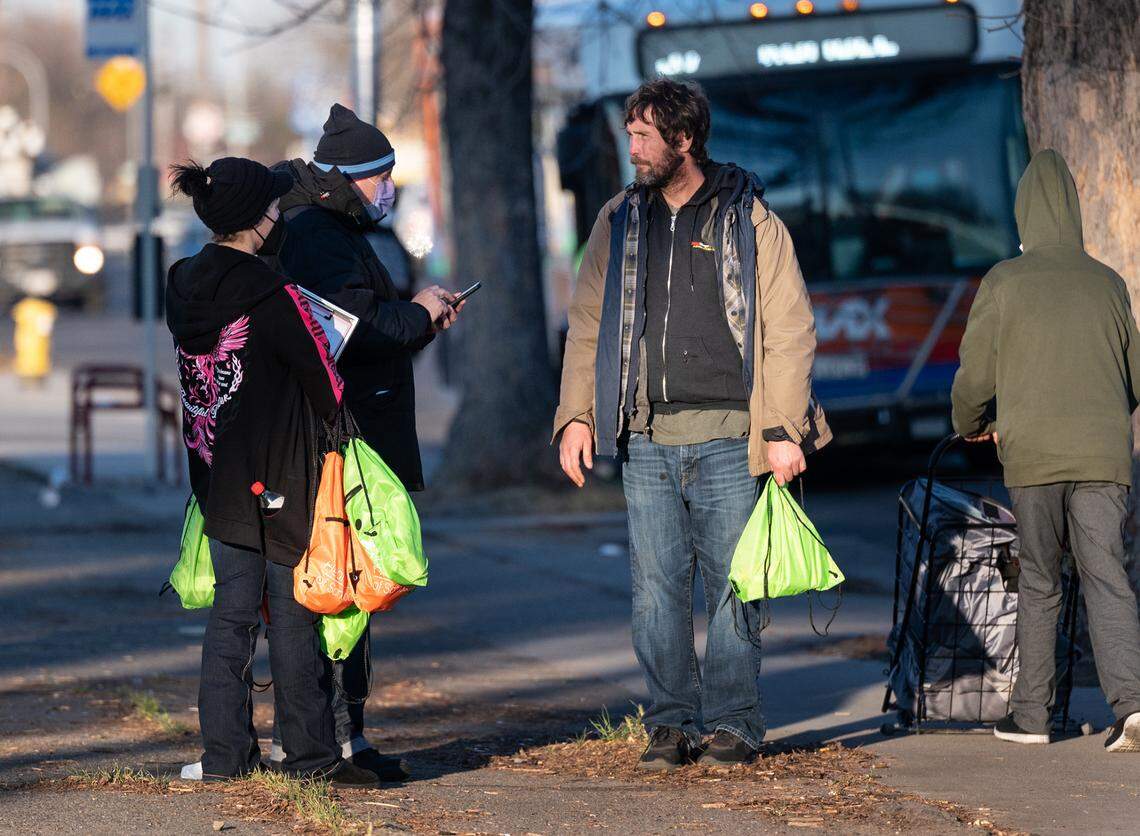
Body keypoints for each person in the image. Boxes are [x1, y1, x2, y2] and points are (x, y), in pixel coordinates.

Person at [554, 79, 829, 770]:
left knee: (735, 588)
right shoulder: (618, 220)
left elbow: (790, 329)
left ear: (684, 139)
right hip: (646, 440)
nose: (633, 149)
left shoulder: (749, 219)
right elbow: (587, 326)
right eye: (631, 135)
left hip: (733, 438)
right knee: (655, 593)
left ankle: (735, 723)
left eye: (645, 136)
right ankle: (671, 724)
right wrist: (577, 416)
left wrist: (782, 431)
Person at [165, 157, 381, 786]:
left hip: (215, 476)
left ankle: (225, 756)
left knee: (231, 613)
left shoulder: (181, 283)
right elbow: (325, 381)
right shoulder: (273, 293)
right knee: (292, 612)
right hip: (282, 473)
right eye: (271, 208)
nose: (277, 216)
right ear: (256, 219)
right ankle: (310, 758)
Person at [266, 104, 461, 780]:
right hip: (339, 441)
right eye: (381, 176)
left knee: (352, 590)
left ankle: (345, 738)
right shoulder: (318, 234)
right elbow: (357, 329)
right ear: (347, 179)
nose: (389, 188)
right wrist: (418, 314)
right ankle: (326, 743)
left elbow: (369, 327)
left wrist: (420, 320)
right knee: (339, 586)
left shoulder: (333, 226)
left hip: (354, 431)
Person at [952, 149, 1140, 753]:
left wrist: (974, 424)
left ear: (1024, 215)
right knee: (1106, 575)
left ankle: (1032, 716)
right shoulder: (1108, 283)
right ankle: (1133, 707)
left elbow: (974, 376)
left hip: (1033, 457)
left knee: (1039, 578)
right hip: (1103, 457)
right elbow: (1135, 379)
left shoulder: (1004, 281)